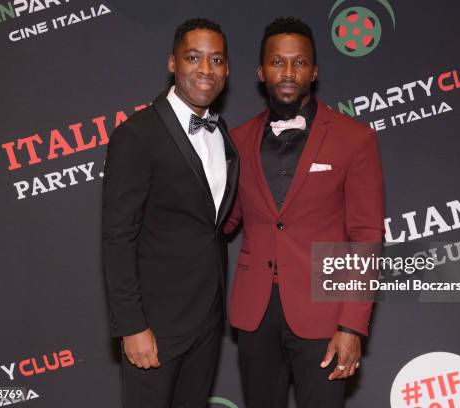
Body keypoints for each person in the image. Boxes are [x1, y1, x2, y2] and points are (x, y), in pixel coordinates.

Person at [224, 17, 384, 407]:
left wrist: (351, 326)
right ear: (261, 72)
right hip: (255, 313)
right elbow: (225, 219)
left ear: (314, 70)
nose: (289, 72)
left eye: (299, 62)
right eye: (278, 63)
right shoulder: (237, 140)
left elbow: (366, 237)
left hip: (324, 312)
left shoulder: (354, 138)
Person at [102, 18, 238, 408]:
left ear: (227, 70)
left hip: (207, 321)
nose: (205, 70)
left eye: (216, 60)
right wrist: (132, 326)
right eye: (193, 57)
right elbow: (117, 236)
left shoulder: (221, 132)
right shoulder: (137, 134)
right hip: (155, 325)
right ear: (172, 63)